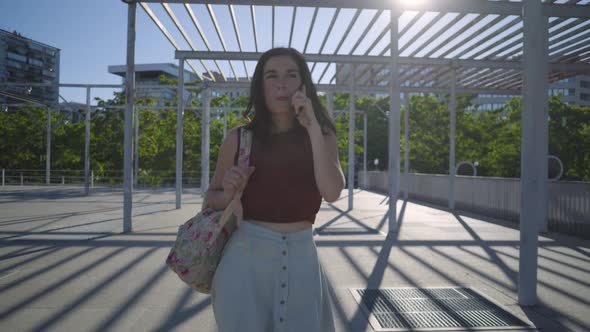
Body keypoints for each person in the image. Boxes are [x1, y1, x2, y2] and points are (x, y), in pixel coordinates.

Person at [206, 47, 345, 332]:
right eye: (272, 76)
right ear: (260, 85)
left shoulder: (323, 135)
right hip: (245, 264)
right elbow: (210, 201)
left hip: (303, 260)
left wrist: (314, 129)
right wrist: (230, 193)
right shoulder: (238, 137)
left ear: (303, 84)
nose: (281, 83)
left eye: (291, 75)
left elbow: (332, 192)